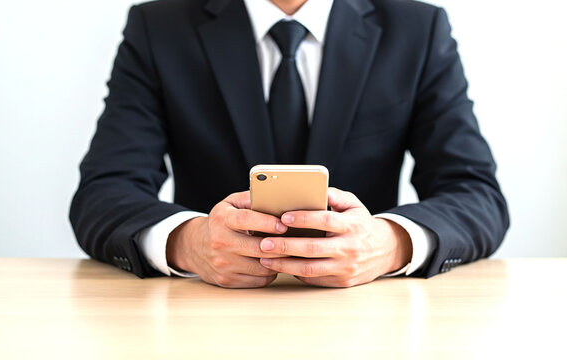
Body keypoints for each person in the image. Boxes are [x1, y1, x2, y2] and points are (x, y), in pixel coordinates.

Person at [70, 0, 509, 288]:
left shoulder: (417, 28)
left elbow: (476, 194)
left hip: (365, 316)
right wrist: (188, 242)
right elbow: (104, 192)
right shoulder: (160, 27)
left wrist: (389, 242)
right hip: (210, 314)